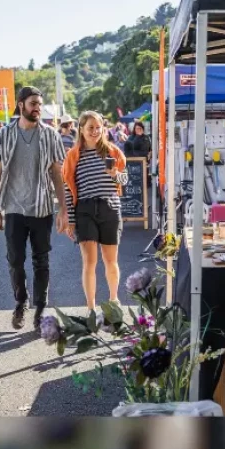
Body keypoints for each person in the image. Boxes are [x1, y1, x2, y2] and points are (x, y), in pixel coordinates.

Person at [0, 86, 69, 331]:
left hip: (42, 207)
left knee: (41, 260)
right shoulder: (4, 134)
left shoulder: (51, 135)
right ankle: (21, 301)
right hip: (13, 207)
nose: (37, 108)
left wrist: (63, 209)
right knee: (15, 260)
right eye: (33, 103)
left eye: (39, 104)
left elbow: (57, 173)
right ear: (21, 104)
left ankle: (40, 307)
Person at [62, 111, 127, 311]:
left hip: (110, 207)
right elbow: (68, 188)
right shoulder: (73, 155)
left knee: (110, 260)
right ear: (81, 129)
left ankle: (114, 299)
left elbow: (124, 180)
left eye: (98, 128)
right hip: (85, 210)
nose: (95, 131)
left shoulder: (112, 151)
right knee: (90, 261)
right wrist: (70, 220)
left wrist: (115, 174)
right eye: (90, 128)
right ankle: (91, 307)